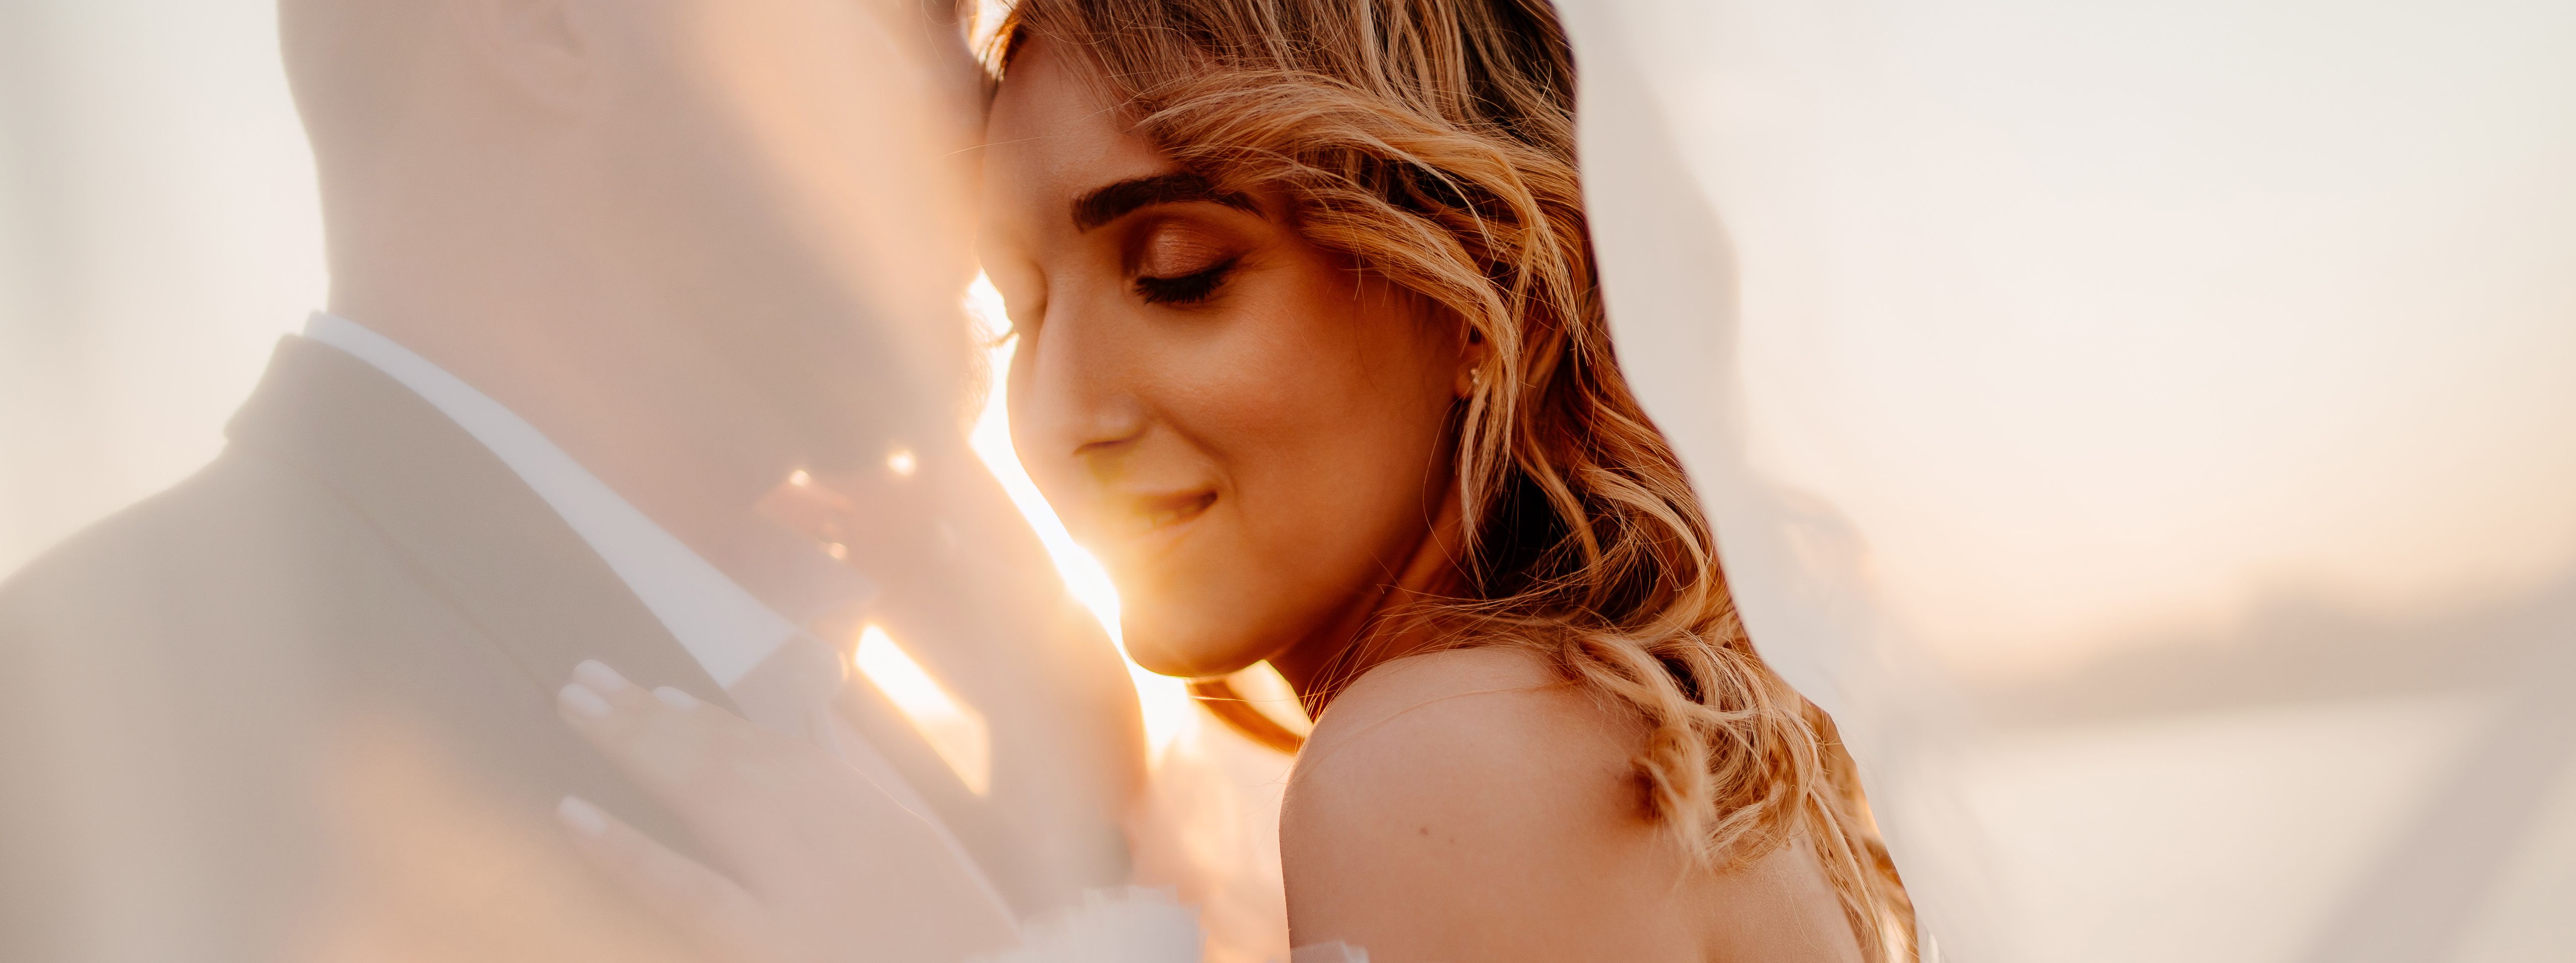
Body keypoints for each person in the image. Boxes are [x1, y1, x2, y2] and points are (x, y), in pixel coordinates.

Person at [553, 0, 1915, 959]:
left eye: (1177, 276)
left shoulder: (1446, 757)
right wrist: (1079, 793)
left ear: (1481, 288)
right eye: (1019, 311)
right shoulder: (1613, 744)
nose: (1058, 414)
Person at [0, 0, 1142, 959]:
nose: (983, 106)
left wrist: (1073, 817)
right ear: (543, 24)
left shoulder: (830, 700)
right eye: (914, 15)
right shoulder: (88, 736)